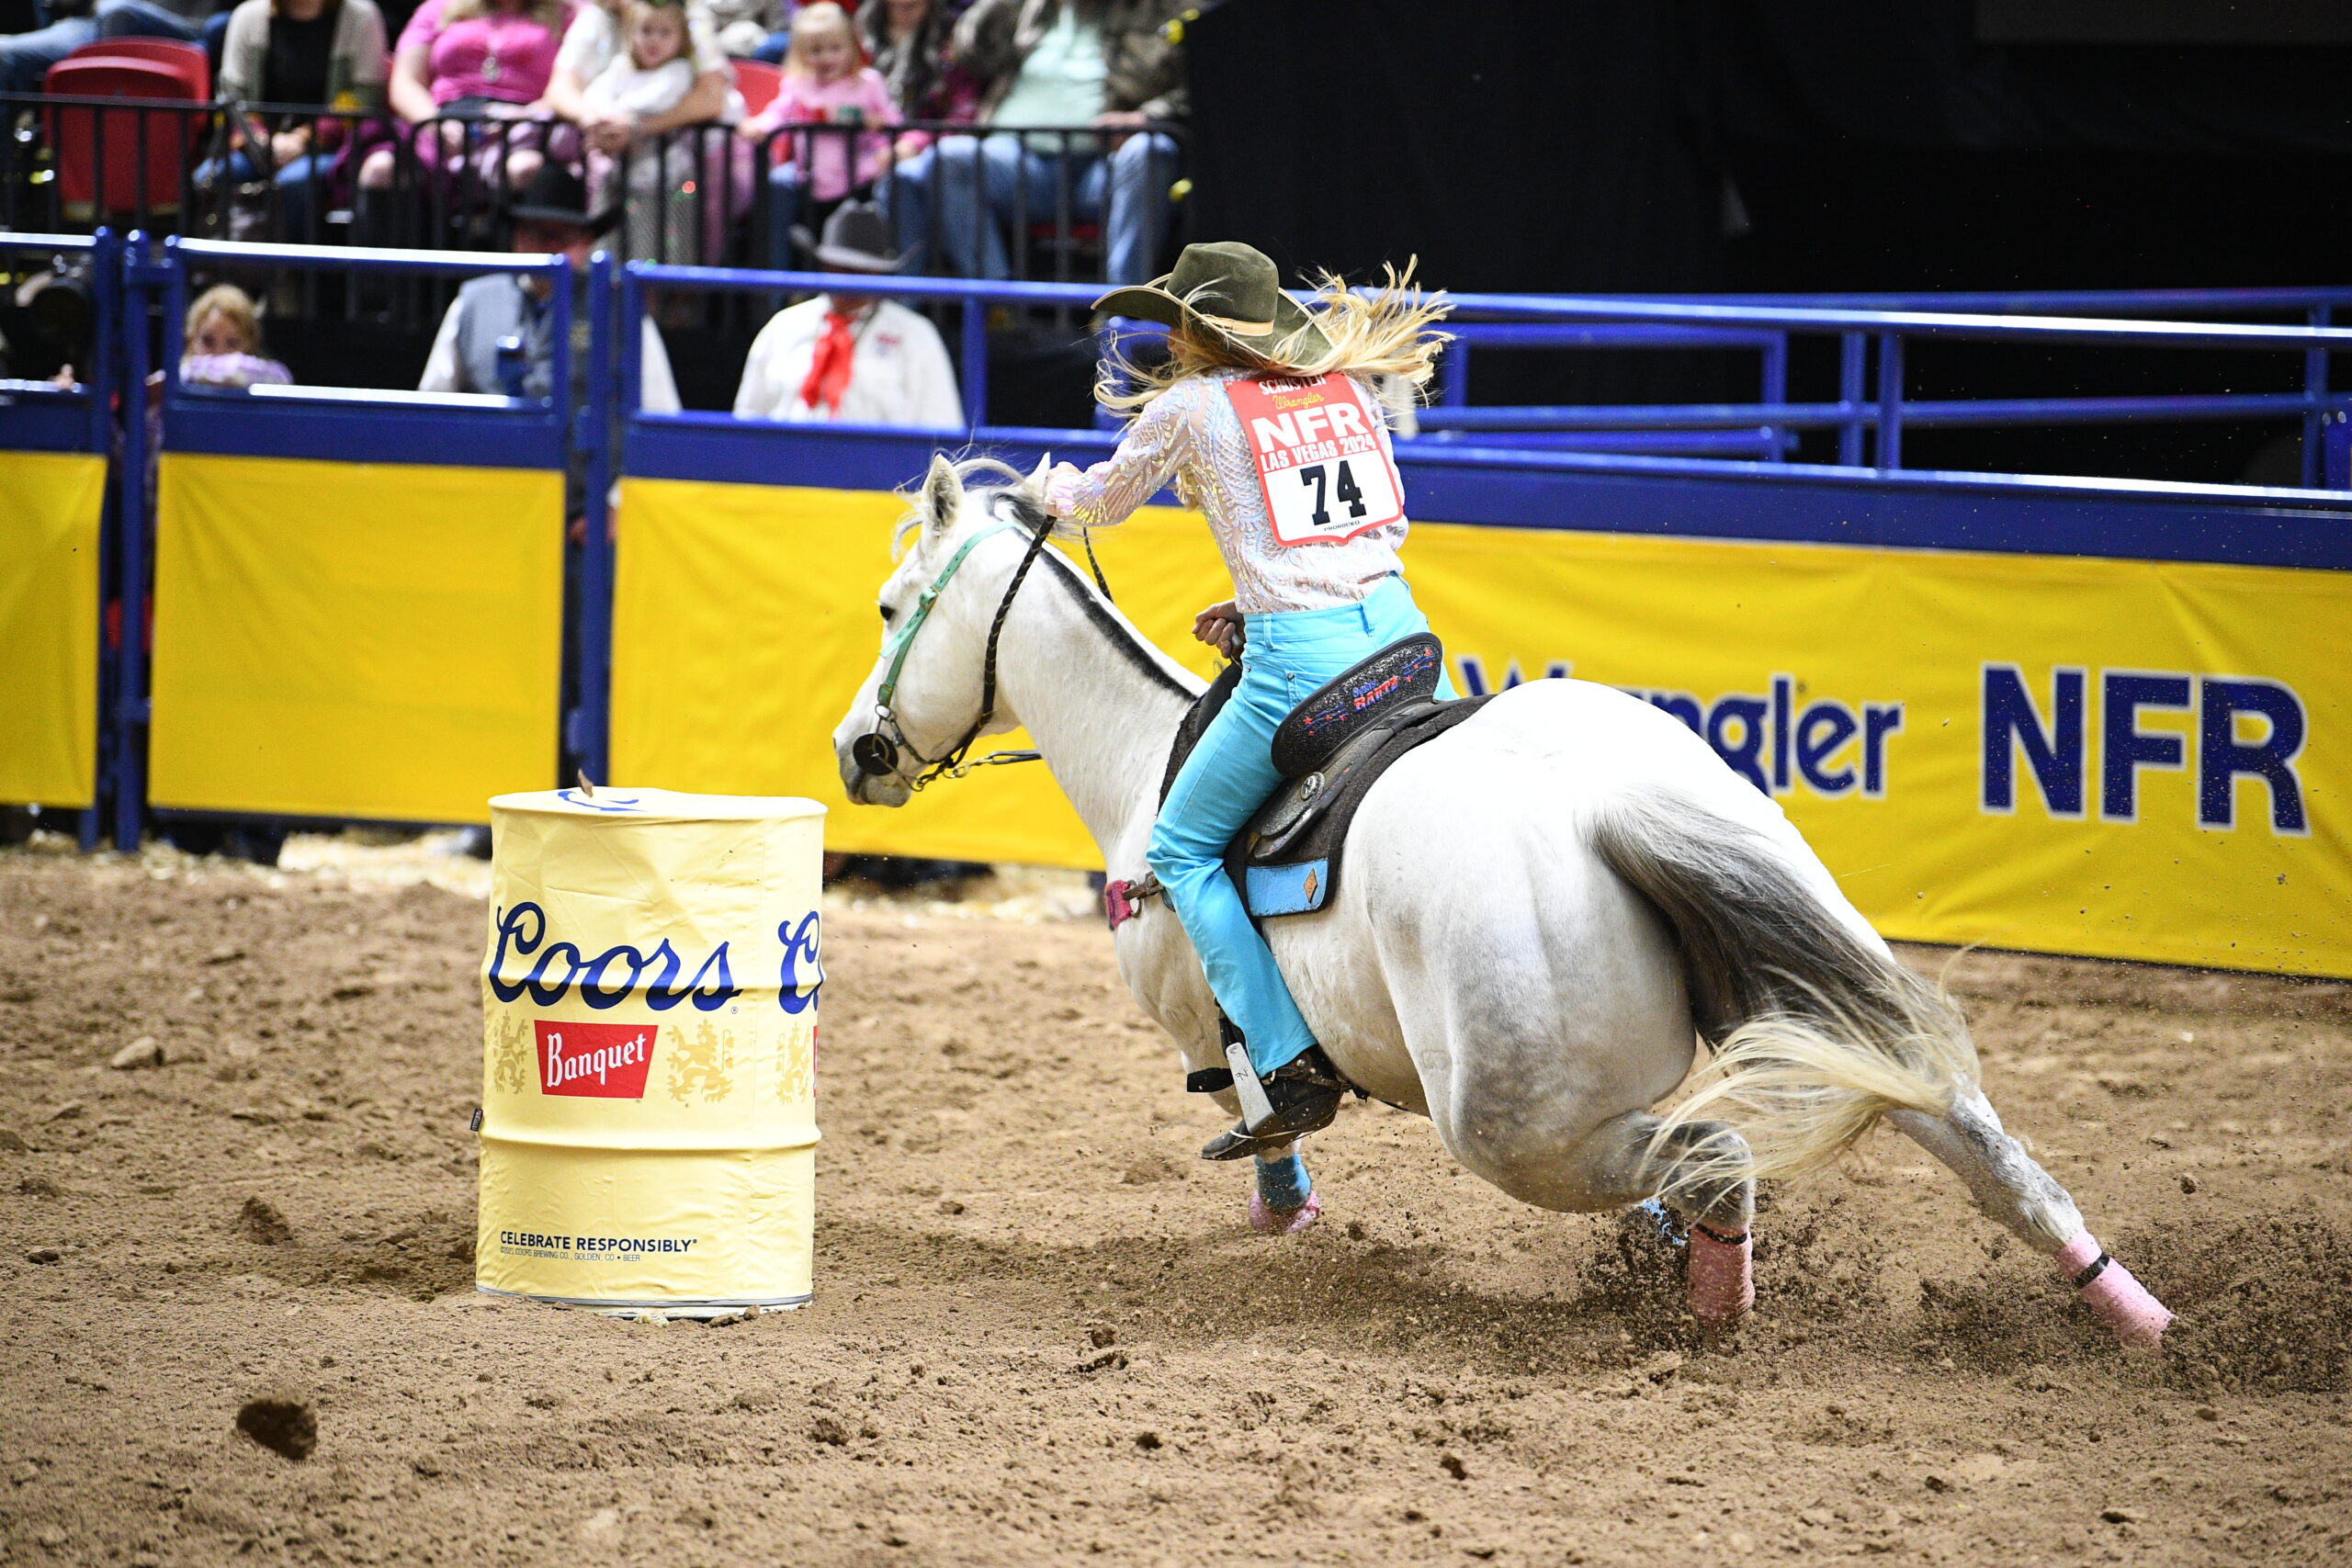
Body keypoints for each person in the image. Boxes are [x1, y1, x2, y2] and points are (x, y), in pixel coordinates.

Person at [1040, 241, 1453, 1156]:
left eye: (1175, 322)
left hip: (1301, 670)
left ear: (1197, 332)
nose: (1167, 338)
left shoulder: (1192, 406)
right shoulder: (1346, 390)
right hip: (1401, 639)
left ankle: (1286, 1060)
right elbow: (1373, 527)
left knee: (1179, 851)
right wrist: (1261, 598)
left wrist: (1049, 486)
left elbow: (1101, 502)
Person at [887, 0, 1182, 284]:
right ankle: (994, 299)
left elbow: (1195, 86)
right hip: (1019, 164)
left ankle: (1123, 301)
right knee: (950, 157)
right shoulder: (1027, 9)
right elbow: (969, 51)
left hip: (1103, 167)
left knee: (1149, 150)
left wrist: (1146, 118)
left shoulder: (1158, 10)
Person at [419, 160, 682, 414]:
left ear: (586, 243)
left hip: (584, 446)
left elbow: (659, 410)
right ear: (518, 238)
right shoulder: (473, 302)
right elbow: (431, 405)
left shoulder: (622, 309)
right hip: (491, 443)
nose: (551, 247)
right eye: (539, 234)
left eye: (566, 236)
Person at [733, 200, 959, 428]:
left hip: (875, 452)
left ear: (879, 272)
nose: (850, 278)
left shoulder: (916, 335)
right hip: (786, 450)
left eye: (862, 269)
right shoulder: (783, 327)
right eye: (840, 266)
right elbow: (747, 417)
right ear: (825, 265)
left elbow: (941, 426)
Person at [355, 0, 577, 221]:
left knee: (525, 168)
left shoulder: (568, 14)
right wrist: (434, 123)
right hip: (442, 125)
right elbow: (404, 82)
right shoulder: (436, 8)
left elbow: (571, 86)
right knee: (381, 169)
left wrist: (528, 115)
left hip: (524, 128)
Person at [208, 0, 389, 242]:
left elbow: (365, 96)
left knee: (293, 182)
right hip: (257, 144)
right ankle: (215, 263)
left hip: (329, 147)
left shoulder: (360, 16)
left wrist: (304, 138)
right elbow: (231, 96)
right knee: (212, 177)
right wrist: (258, 139)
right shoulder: (248, 16)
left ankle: (290, 265)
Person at [735, 0, 894, 270]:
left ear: (852, 47)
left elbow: (892, 124)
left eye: (835, 48)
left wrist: (883, 139)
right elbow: (778, 113)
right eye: (815, 51)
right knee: (777, 186)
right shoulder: (797, 84)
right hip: (805, 179)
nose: (825, 58)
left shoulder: (868, 83)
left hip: (858, 180)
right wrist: (758, 125)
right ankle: (776, 282)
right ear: (799, 53)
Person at [0, 0, 232, 96]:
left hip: (186, 27)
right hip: (91, 23)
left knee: (120, 13)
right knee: (3, 52)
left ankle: (105, 161)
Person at [857, 0, 978, 159]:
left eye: (911, 6)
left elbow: (962, 115)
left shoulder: (951, 45)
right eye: (893, 6)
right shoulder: (860, 40)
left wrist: (916, 142)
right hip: (862, 148)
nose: (902, 12)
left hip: (928, 155)